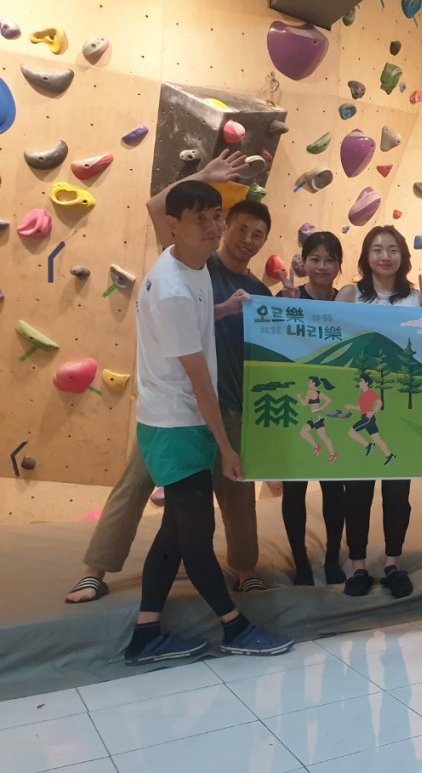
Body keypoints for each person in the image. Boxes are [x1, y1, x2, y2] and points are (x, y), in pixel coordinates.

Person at [65, 151, 269, 604]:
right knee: (136, 483)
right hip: (175, 408)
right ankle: (95, 569)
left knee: (236, 492)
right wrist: (203, 175)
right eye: (239, 228)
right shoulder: (193, 259)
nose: (246, 240)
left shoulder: (255, 289)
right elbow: (158, 207)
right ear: (222, 228)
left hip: (228, 401)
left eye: (258, 235)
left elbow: (211, 328)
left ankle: (246, 570)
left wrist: (238, 308)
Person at [123, 180, 292, 663]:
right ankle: (234, 626)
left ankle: (146, 633)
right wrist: (227, 448)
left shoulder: (191, 268)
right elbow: (200, 382)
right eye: (201, 218)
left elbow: (194, 325)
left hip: (181, 421)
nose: (214, 227)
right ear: (172, 225)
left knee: (175, 532)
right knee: (196, 537)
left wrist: (224, 308)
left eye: (216, 215)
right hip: (176, 425)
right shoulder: (173, 288)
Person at [334, 225, 422, 598]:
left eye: (392, 249)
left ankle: (393, 562)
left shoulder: (416, 298)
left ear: (403, 256)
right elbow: (331, 336)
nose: (385, 256)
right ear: (366, 256)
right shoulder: (350, 295)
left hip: (401, 407)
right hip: (360, 396)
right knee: (357, 491)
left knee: (397, 491)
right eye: (377, 249)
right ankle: (358, 567)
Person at [278, 231, 347, 586]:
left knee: (335, 488)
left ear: (339, 265)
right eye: (315, 259)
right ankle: (301, 562)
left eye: (329, 260)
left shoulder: (347, 301)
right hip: (297, 403)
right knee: (294, 489)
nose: (322, 266)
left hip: (332, 407)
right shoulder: (287, 297)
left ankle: (333, 557)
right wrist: (285, 311)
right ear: (303, 263)